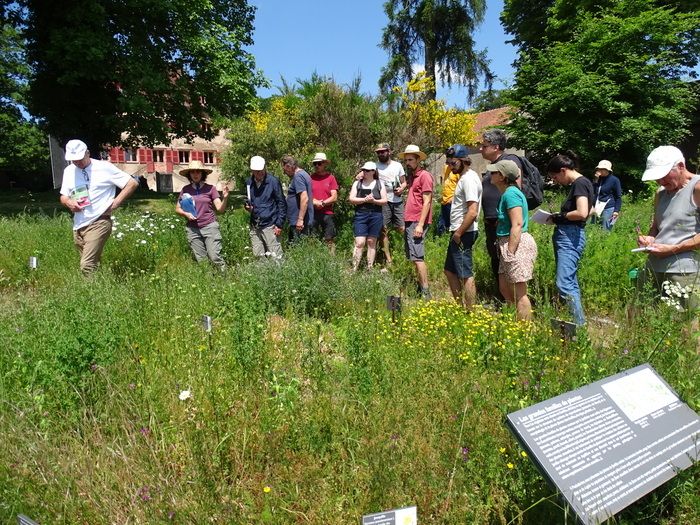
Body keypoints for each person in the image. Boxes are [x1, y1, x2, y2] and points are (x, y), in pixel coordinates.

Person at [60, 139, 139, 274]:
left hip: (99, 221)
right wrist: (68, 202)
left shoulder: (104, 167)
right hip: (79, 224)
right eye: (73, 160)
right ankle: (101, 287)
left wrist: (116, 203)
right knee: (93, 263)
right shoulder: (69, 171)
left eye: (79, 158)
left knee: (87, 265)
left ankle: (87, 294)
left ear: (88, 153)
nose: (77, 162)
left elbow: (131, 183)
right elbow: (63, 196)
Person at [637, 146, 700, 311]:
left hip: (686, 271)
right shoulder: (660, 193)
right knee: (642, 315)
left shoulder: (697, 188)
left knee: (687, 325)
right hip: (653, 266)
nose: (660, 181)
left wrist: (674, 249)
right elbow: (656, 226)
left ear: (680, 166)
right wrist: (649, 238)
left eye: (664, 175)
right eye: (657, 178)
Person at [546, 153, 594, 326]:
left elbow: (581, 213)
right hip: (572, 234)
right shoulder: (585, 182)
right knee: (570, 281)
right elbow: (591, 211)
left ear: (563, 170)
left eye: (555, 176)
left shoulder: (579, 184)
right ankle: (577, 323)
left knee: (564, 283)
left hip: (570, 235)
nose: (556, 181)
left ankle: (578, 325)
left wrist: (559, 216)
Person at [488, 159, 537, 321]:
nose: (491, 174)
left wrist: (510, 251)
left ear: (502, 177)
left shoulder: (511, 194)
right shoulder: (507, 194)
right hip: (508, 243)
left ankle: (526, 330)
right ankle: (515, 322)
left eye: (494, 172)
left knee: (519, 292)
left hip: (516, 244)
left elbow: (517, 224)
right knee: (504, 288)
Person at [479, 129, 523, 297]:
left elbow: (515, 190)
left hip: (503, 224)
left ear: (496, 147)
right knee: (496, 262)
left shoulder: (509, 162)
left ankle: (511, 301)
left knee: (506, 263)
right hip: (493, 223)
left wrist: (503, 218)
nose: (481, 149)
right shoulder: (494, 167)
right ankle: (502, 299)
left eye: (484, 146)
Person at [443, 144, 482, 309]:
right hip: (459, 231)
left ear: (463, 160)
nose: (450, 167)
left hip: (464, 232)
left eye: (453, 163)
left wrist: (459, 233)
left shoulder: (469, 179)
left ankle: (470, 311)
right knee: (449, 270)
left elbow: (472, 212)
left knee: (465, 273)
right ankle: (460, 307)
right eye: (449, 163)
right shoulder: (463, 177)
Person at [175, 159, 230, 270]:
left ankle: (225, 280)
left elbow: (220, 208)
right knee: (202, 261)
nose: (195, 174)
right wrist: (186, 214)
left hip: (209, 226)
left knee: (215, 257)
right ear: (189, 174)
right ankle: (209, 283)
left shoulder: (211, 189)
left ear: (202, 173)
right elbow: (177, 208)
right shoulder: (185, 190)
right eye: (193, 172)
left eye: (198, 172)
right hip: (193, 229)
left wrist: (225, 198)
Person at [399, 144, 434, 299]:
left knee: (418, 257)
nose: (408, 163)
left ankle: (426, 292)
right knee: (413, 257)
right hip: (409, 219)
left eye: (411, 159)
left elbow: (427, 201)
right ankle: (421, 288)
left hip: (417, 221)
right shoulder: (412, 177)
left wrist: (420, 224)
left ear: (418, 159)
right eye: (406, 160)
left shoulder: (425, 176)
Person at [244, 155, 286, 259]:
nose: (260, 173)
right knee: (258, 256)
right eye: (257, 171)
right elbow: (248, 200)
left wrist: (279, 224)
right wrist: (247, 206)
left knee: (276, 257)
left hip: (270, 224)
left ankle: (279, 275)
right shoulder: (249, 182)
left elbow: (281, 203)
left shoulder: (273, 181)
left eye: (262, 170)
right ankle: (262, 274)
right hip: (255, 225)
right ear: (252, 170)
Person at [348, 161, 388, 271]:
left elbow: (384, 200)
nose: (364, 172)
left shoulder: (380, 183)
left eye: (367, 170)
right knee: (360, 242)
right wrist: (364, 200)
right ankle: (354, 269)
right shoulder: (357, 183)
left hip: (376, 215)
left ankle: (369, 268)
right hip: (361, 214)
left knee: (371, 242)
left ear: (373, 172)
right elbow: (351, 199)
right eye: (363, 170)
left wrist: (374, 200)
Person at [375, 143, 407, 266]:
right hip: (383, 201)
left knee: (401, 228)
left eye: (383, 151)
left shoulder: (397, 165)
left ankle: (404, 253)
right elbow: (364, 175)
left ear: (389, 151)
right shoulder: (375, 166)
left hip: (397, 201)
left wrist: (401, 189)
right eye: (378, 152)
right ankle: (388, 259)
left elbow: (404, 182)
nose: (380, 154)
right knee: (384, 230)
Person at [309, 152, 339, 254]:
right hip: (313, 213)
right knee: (312, 237)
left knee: (329, 238)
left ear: (325, 164)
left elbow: (334, 196)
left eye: (319, 163)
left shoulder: (331, 178)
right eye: (315, 164)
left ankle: (331, 260)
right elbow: (307, 196)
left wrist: (322, 203)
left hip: (327, 213)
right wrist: (315, 202)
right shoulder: (310, 178)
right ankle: (313, 258)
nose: (317, 166)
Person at [281, 155, 314, 242]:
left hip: (299, 223)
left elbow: (304, 198)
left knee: (297, 249)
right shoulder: (304, 174)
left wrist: (300, 219)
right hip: (298, 222)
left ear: (289, 166)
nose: (284, 173)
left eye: (284, 169)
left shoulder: (298, 177)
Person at [590, 159, 622, 231]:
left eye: (602, 169)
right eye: (599, 169)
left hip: (608, 207)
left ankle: (604, 241)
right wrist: (595, 180)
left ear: (607, 170)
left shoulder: (614, 180)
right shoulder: (598, 179)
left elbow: (618, 196)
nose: (599, 170)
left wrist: (616, 210)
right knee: (593, 227)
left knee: (605, 229)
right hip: (596, 206)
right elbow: (593, 191)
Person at [437, 150, 462, 235]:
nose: (447, 163)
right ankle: (441, 243)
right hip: (444, 201)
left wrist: (453, 198)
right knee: (442, 226)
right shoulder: (446, 167)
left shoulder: (458, 170)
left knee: (452, 226)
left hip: (452, 201)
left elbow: (460, 186)